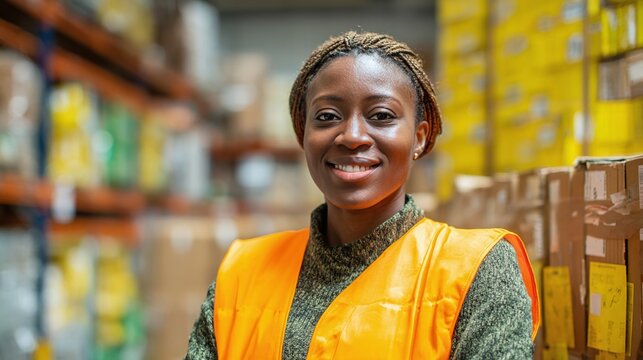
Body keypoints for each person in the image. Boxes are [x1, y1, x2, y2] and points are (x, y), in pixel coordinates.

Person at [185, 31, 539, 359]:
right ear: (302, 134)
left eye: (381, 115)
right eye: (327, 116)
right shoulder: (242, 272)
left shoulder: (477, 270)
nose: (352, 136)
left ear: (419, 137)